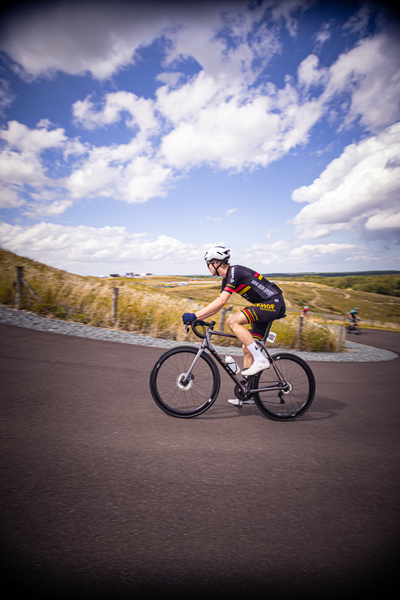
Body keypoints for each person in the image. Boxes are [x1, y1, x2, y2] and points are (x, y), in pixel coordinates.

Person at [182, 246, 286, 404]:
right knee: (247, 348)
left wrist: (195, 315)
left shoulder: (234, 272)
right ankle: (248, 392)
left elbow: (222, 301)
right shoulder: (227, 279)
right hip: (266, 306)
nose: (207, 267)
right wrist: (197, 318)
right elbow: (219, 304)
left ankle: (261, 360)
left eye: (208, 264)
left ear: (216, 263)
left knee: (232, 321)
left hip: (273, 303)